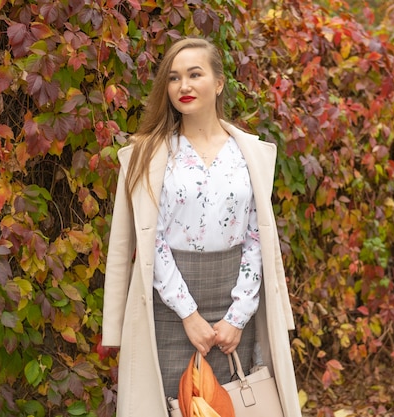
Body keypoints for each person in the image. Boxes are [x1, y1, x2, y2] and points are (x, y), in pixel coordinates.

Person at [101, 36, 302, 417]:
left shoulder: (248, 153)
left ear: (219, 82)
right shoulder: (151, 153)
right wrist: (188, 314)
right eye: (174, 78)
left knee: (234, 405)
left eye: (195, 74)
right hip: (167, 307)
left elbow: (256, 237)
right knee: (167, 406)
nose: (184, 86)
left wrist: (238, 315)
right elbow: (151, 241)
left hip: (233, 309)